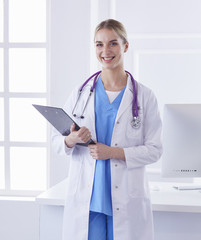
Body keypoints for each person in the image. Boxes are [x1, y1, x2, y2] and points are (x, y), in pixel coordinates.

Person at [51, 19, 163, 240]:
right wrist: (71, 139)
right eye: (99, 44)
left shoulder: (144, 96)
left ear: (125, 46)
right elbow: (56, 141)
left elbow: (155, 149)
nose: (105, 51)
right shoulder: (80, 93)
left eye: (112, 43)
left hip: (126, 200)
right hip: (88, 200)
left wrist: (114, 153)